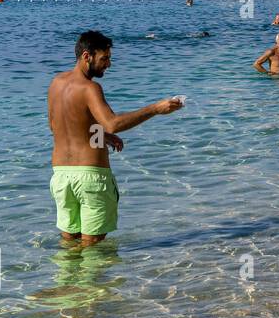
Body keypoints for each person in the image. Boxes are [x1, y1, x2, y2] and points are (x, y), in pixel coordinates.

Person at [47, 31, 183, 245]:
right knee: (92, 247)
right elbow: (113, 123)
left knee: (69, 242)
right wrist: (155, 108)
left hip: (61, 176)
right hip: (90, 177)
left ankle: (66, 279)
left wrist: (103, 136)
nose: (108, 64)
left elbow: (57, 126)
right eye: (104, 58)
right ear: (86, 56)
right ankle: (89, 279)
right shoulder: (90, 88)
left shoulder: (56, 83)